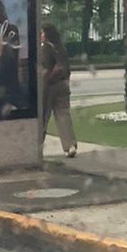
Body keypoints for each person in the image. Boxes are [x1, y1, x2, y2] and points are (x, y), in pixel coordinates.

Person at [40, 23, 77, 156]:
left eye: (42, 32)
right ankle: (70, 145)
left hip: (49, 85)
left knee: (43, 116)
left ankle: (38, 146)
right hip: (63, 84)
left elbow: (44, 68)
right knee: (63, 115)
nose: (41, 35)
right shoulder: (61, 48)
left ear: (47, 34)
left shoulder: (46, 48)